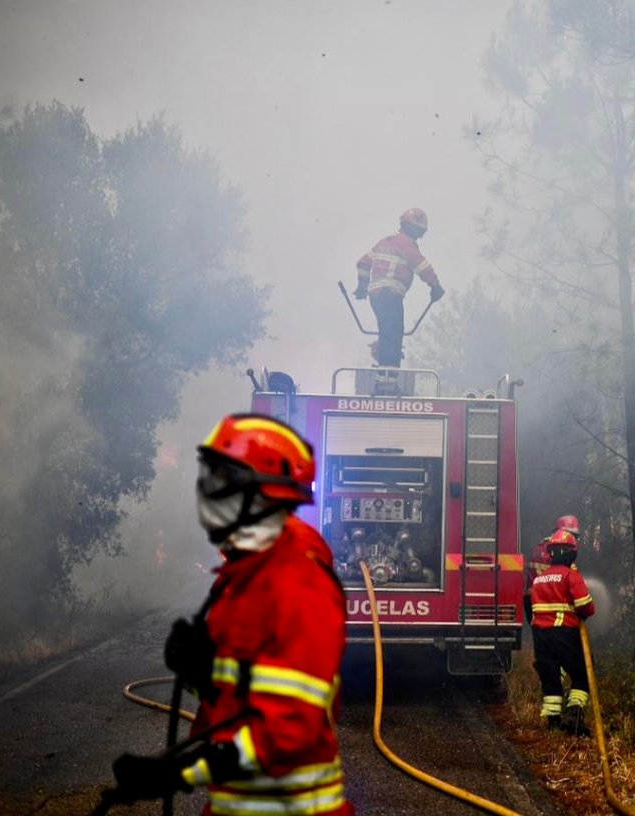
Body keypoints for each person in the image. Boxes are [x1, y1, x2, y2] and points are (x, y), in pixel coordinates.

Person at [108, 414, 352, 816]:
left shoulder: (298, 581)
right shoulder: (241, 579)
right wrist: (201, 676)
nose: (208, 493)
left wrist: (180, 772)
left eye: (222, 481)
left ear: (261, 495)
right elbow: (241, 699)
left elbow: (287, 731)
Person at [353, 207, 445, 368]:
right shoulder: (407, 245)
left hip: (376, 296)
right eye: (419, 232)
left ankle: (385, 370)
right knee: (393, 334)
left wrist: (362, 286)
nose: (418, 236)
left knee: (387, 331)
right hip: (390, 295)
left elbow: (363, 262)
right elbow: (422, 267)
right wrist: (435, 285)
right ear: (413, 228)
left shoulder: (385, 242)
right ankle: (388, 379)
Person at [530, 527, 596, 735]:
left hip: (541, 637)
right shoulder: (571, 576)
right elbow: (587, 606)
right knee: (582, 672)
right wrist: (581, 612)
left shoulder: (539, 579)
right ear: (571, 553)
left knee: (550, 678)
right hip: (564, 634)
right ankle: (574, 715)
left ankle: (553, 723)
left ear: (550, 554)